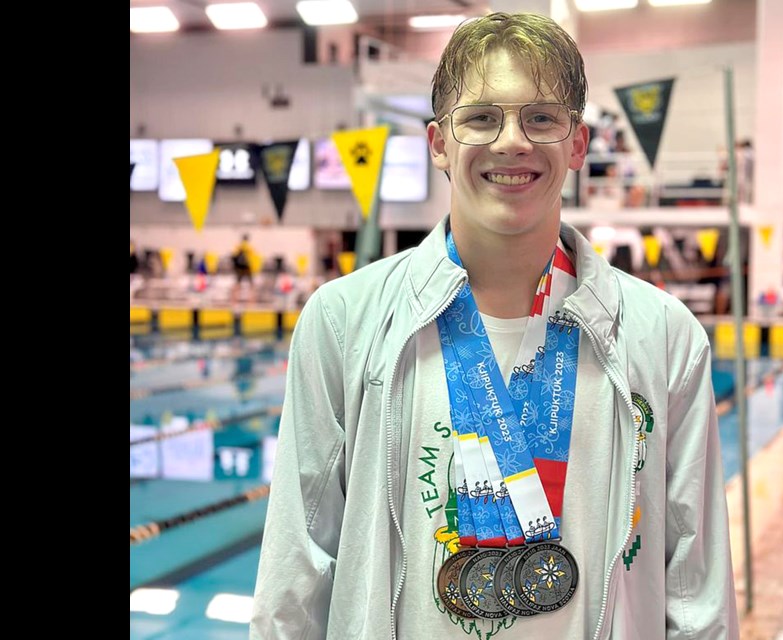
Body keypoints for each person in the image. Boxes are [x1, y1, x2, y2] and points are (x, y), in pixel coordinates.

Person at [251, 12, 738, 640]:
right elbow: (295, 575)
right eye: (481, 117)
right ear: (438, 145)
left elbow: (695, 592)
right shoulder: (345, 322)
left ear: (578, 145)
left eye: (542, 117)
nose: (512, 140)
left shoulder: (664, 337)